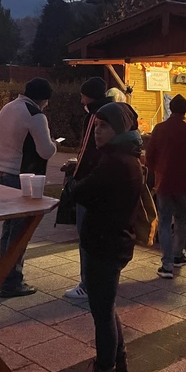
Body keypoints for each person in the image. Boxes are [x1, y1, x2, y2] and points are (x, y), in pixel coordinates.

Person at [70, 102, 143, 372]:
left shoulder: (115, 162)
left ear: (120, 129)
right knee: (107, 310)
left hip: (104, 245)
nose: (97, 132)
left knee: (103, 316)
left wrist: (71, 183)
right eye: (96, 126)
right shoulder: (125, 157)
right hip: (114, 242)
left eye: (104, 126)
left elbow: (82, 192)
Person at [0, 77, 58, 298]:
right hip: (22, 177)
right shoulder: (35, 115)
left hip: (2, 173)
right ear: (43, 99)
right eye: (47, 101)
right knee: (19, 233)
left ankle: (2, 277)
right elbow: (45, 151)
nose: (47, 105)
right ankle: (12, 282)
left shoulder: (8, 108)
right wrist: (55, 144)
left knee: (8, 230)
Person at [64, 76, 114, 300]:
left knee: (86, 234)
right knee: (103, 236)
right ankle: (103, 280)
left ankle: (87, 283)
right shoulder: (114, 112)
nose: (81, 99)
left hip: (91, 181)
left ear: (89, 96)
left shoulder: (94, 115)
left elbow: (86, 150)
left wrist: (75, 177)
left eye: (83, 95)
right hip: (107, 182)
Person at [146, 94, 186, 279]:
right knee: (181, 220)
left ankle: (167, 264)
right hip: (184, 184)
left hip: (164, 183)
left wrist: (157, 173)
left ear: (170, 108)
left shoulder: (159, 129)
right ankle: (179, 254)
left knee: (164, 222)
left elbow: (149, 157)